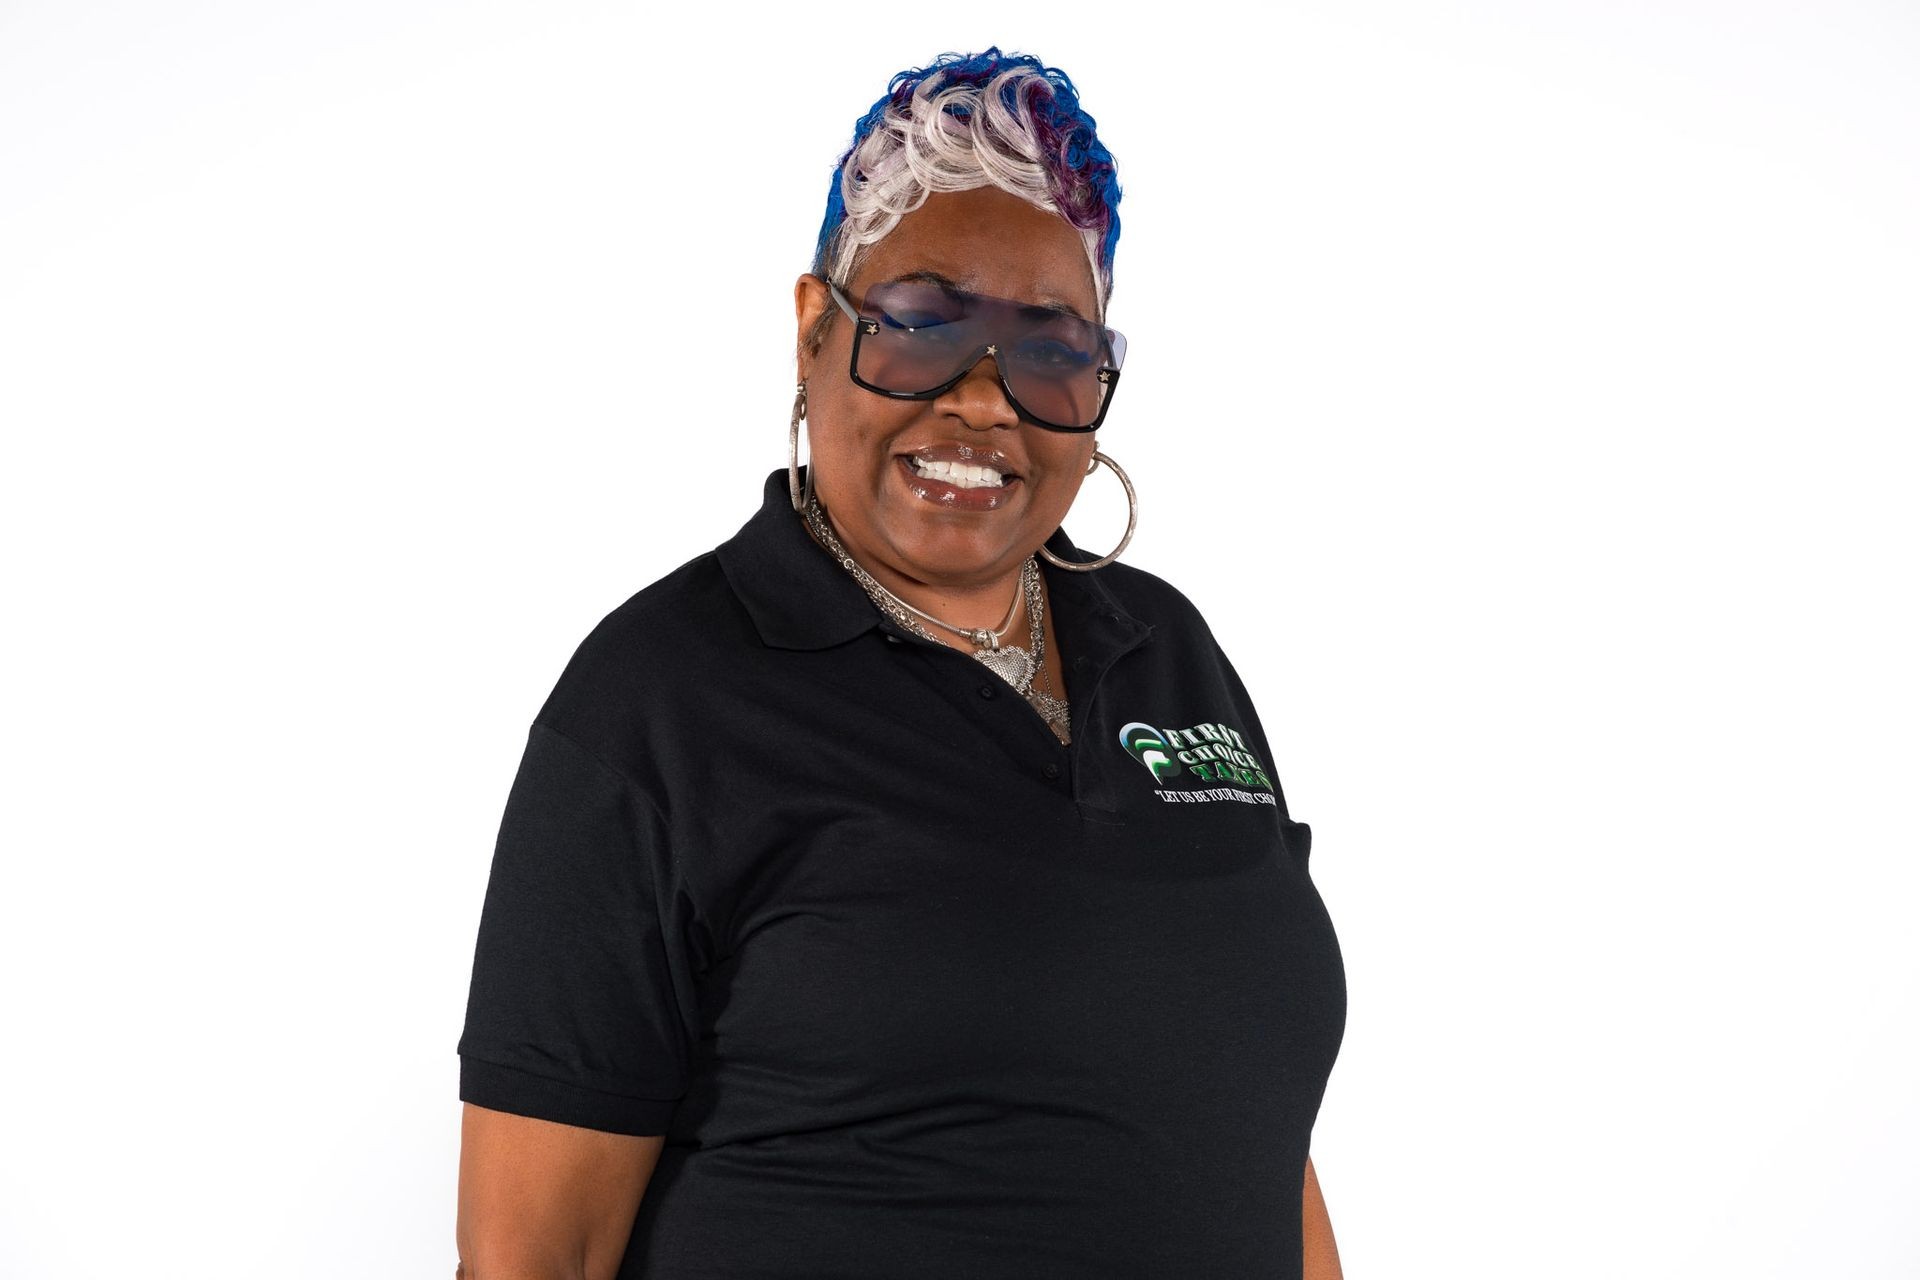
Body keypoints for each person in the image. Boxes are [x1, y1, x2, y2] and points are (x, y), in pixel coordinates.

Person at [454, 47, 1347, 1280]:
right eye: (924, 326)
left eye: (1049, 352)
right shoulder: (659, 699)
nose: (984, 402)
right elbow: (533, 1256)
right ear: (817, 331)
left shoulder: (1168, 651)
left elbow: (1252, 1126)